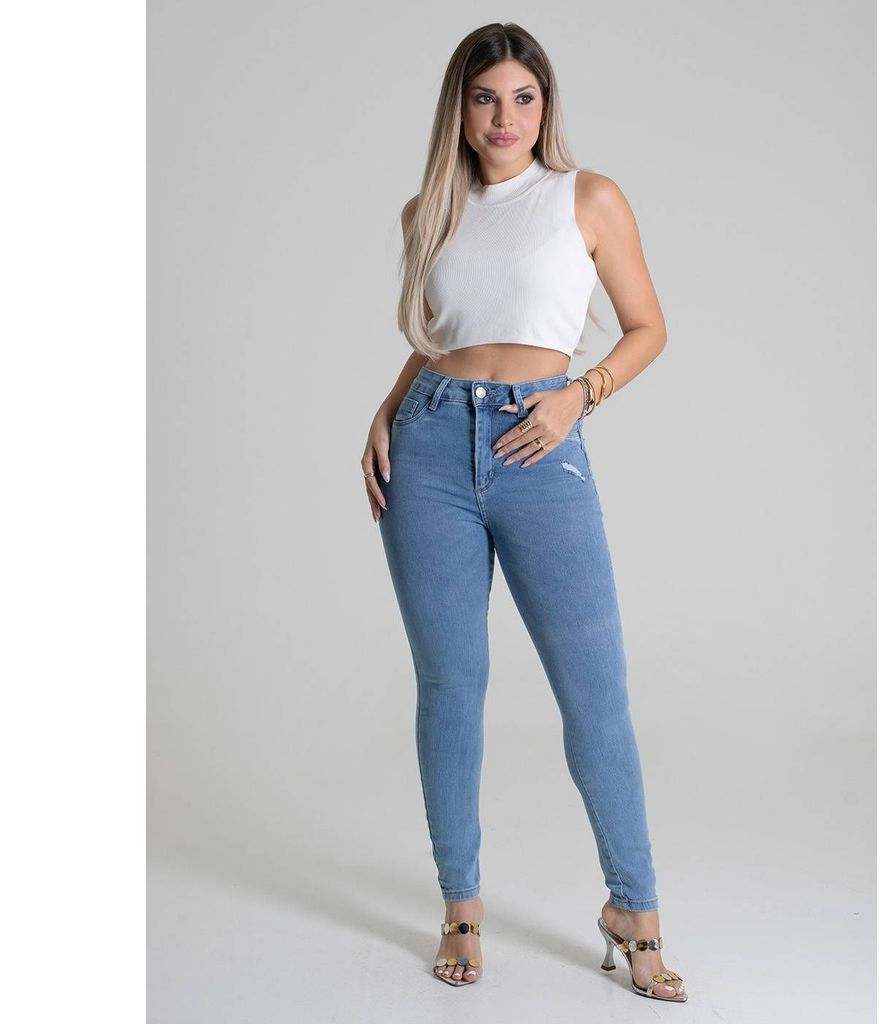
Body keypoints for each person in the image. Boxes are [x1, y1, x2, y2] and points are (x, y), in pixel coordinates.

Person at [361, 23, 687, 1003]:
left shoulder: (587, 198)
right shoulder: (428, 210)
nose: (504, 118)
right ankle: (460, 908)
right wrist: (385, 408)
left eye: (523, 98)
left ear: (545, 107)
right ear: (459, 109)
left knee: (595, 696)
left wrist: (577, 396)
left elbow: (648, 327)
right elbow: (445, 339)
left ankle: (635, 910)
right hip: (428, 449)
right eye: (485, 97)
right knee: (450, 686)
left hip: (541, 447)